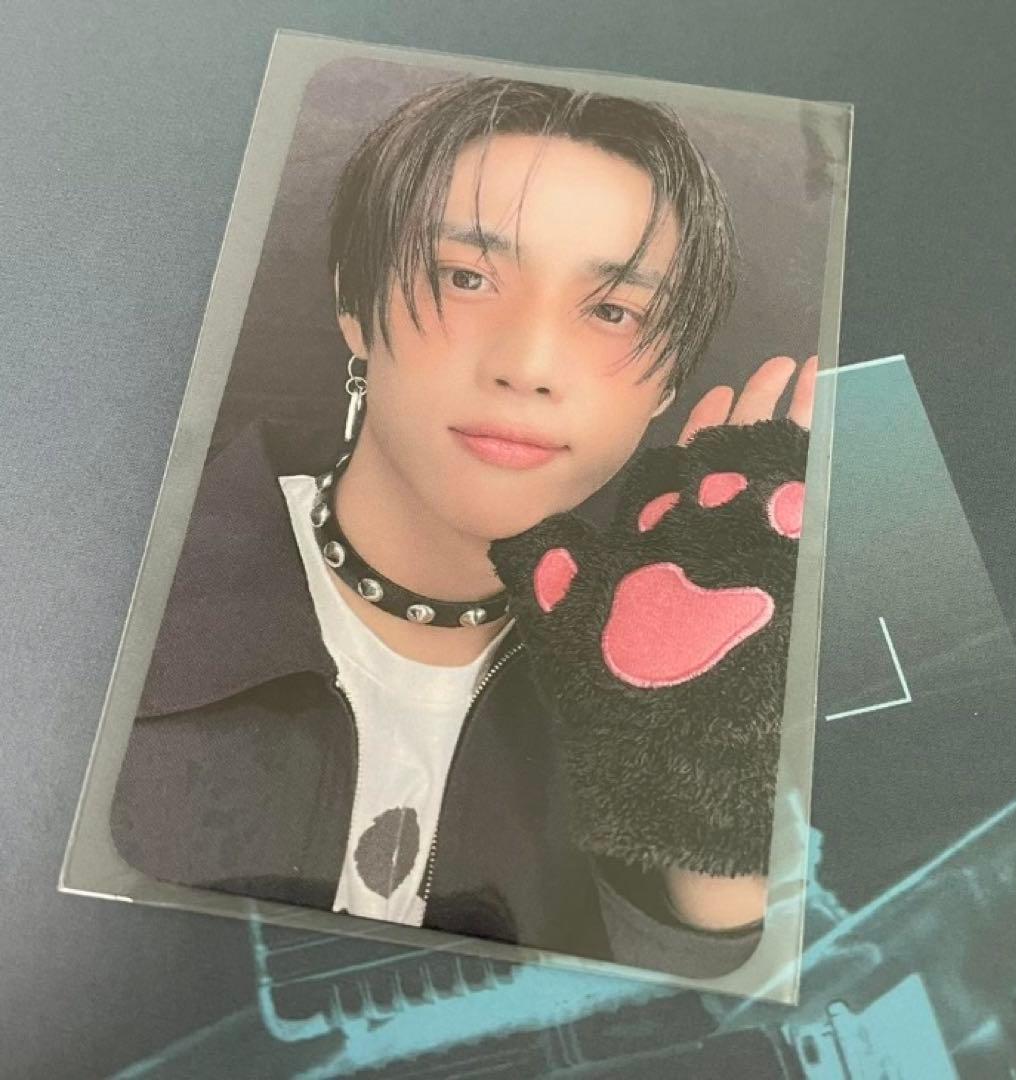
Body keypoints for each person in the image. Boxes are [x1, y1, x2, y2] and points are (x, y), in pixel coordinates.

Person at [111, 76, 815, 979]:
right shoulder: (108, 575)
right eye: (466, 277)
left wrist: (708, 795)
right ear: (356, 305)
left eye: (612, 311)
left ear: (666, 384)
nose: (529, 364)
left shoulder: (671, 662)